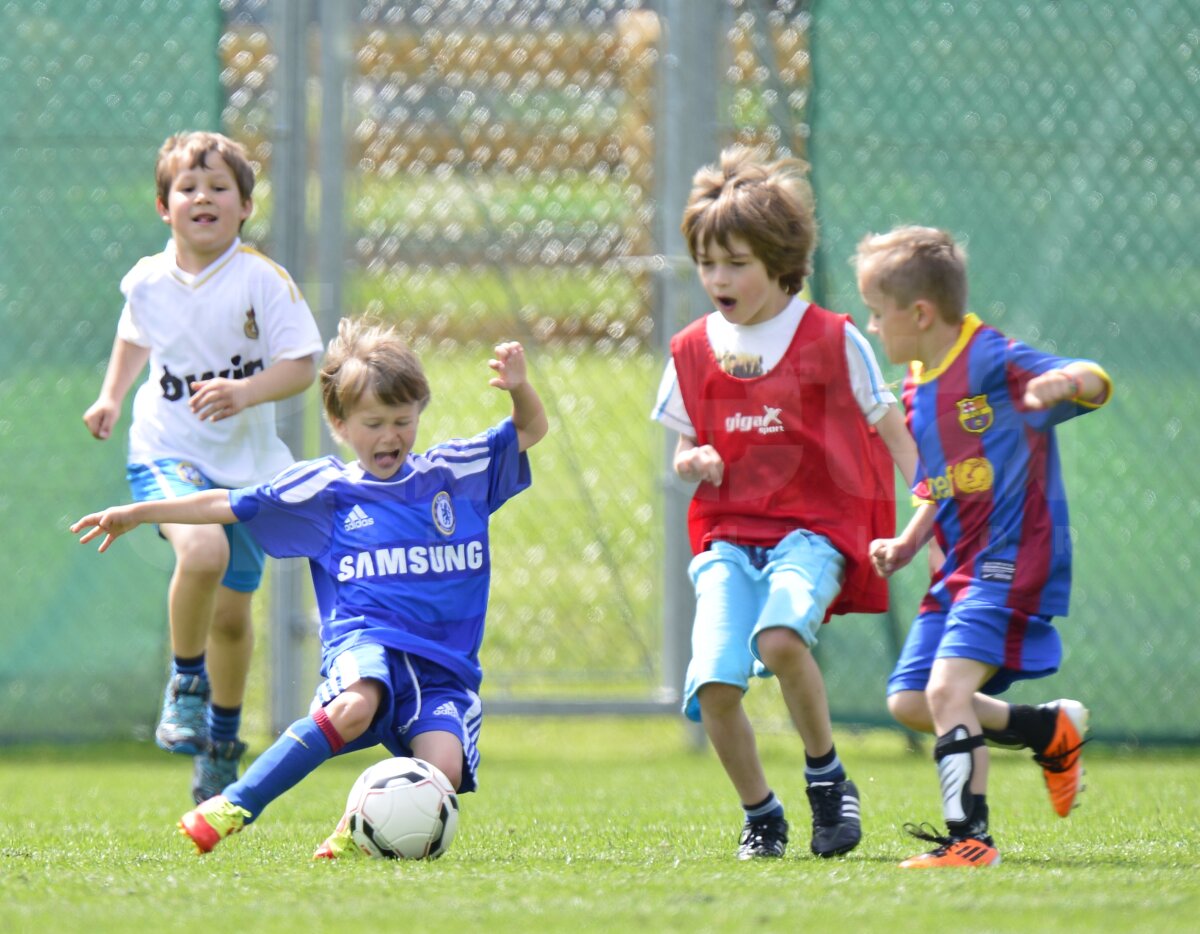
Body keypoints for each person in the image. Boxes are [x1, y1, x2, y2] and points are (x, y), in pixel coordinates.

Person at [72, 316, 548, 857]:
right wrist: (139, 511)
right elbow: (224, 504)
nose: (390, 435)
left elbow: (529, 430)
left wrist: (520, 388)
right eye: (373, 423)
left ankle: (353, 833)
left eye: (401, 419)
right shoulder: (325, 490)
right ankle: (233, 804)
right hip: (366, 643)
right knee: (355, 706)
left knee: (441, 770)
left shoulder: (455, 474)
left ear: (420, 411)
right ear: (340, 424)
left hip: (444, 667)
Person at [650, 147, 918, 860]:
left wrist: (936, 511)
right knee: (712, 685)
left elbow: (889, 423)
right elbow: (683, 451)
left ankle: (827, 778)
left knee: (779, 638)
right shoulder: (692, 349)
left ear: (778, 259)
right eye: (707, 262)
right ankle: (761, 814)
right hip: (727, 540)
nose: (717, 279)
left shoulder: (832, 338)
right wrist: (694, 459)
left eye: (734, 262)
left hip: (813, 533)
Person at [854, 225, 1112, 868]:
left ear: (919, 312)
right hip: (961, 566)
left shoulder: (992, 358)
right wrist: (912, 540)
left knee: (947, 693)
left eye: (877, 313)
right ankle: (1044, 729)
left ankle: (970, 840)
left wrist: (1068, 384)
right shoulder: (916, 384)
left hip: (1012, 555)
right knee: (912, 701)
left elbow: (1096, 381)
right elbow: (940, 484)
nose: (871, 326)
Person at [81, 131, 323, 805]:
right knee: (204, 550)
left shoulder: (262, 281)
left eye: (219, 188)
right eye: (187, 188)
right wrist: (110, 396)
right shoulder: (148, 280)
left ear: (245, 206)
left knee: (233, 619)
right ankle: (185, 683)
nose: (203, 198)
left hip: (249, 469)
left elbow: (302, 364)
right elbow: (136, 334)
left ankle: (221, 739)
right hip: (167, 453)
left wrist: (247, 392)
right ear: (164, 206)